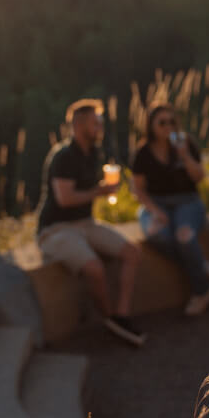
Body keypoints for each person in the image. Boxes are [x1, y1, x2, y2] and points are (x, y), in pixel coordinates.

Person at [36, 99, 144, 347]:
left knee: (132, 253)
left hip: (85, 223)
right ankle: (110, 320)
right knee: (95, 269)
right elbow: (64, 199)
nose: (100, 127)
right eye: (96, 123)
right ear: (79, 125)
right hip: (56, 229)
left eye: (101, 122)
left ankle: (121, 315)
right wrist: (100, 192)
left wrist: (102, 191)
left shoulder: (93, 153)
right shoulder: (63, 156)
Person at [131, 103, 209, 318]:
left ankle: (202, 291)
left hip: (188, 201)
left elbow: (199, 177)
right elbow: (138, 190)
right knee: (155, 234)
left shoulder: (185, 143)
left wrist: (185, 155)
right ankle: (198, 264)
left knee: (184, 236)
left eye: (171, 121)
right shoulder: (143, 153)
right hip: (157, 203)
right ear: (151, 126)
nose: (168, 126)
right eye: (162, 122)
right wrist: (155, 211)